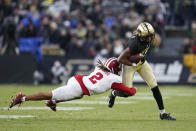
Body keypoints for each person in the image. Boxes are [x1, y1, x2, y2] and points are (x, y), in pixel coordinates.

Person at [9, 57, 136, 111]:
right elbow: (130, 92)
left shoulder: (100, 69)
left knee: (78, 96)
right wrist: (133, 88)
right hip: (78, 87)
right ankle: (23, 97)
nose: (121, 69)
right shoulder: (113, 79)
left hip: (78, 80)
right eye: (120, 67)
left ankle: (53, 102)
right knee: (49, 94)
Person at [108, 22, 176, 120]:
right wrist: (133, 63)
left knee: (154, 86)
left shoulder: (144, 36)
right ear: (141, 36)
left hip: (142, 63)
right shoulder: (134, 44)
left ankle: (163, 113)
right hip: (130, 66)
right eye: (148, 37)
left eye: (151, 36)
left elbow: (152, 39)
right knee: (127, 93)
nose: (150, 39)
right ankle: (114, 93)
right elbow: (120, 59)